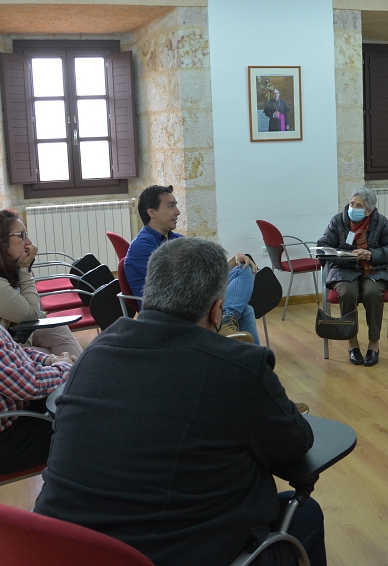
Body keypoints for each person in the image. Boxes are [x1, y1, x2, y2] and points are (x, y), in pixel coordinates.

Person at [35, 237, 326, 566]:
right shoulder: (239, 366)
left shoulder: (95, 353)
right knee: (305, 514)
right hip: (161, 553)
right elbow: (296, 442)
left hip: (60, 549)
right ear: (217, 311)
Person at [124, 185, 260, 343]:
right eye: (171, 206)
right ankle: (242, 348)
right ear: (151, 212)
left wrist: (233, 261)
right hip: (169, 312)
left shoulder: (177, 239)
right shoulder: (142, 246)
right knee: (246, 310)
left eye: (176, 205)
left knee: (243, 268)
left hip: (191, 301)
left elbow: (201, 272)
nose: (178, 212)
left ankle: (227, 321)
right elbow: (179, 285)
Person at [317, 187, 388, 367]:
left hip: (373, 270)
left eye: (358, 205)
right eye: (351, 203)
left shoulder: (380, 222)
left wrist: (371, 254)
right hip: (343, 269)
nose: (352, 208)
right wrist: (345, 253)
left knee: (372, 292)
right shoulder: (337, 222)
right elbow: (323, 246)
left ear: (369, 211)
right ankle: (352, 342)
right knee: (348, 292)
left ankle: (373, 344)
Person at [0, 210, 83, 357]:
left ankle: (80, 373)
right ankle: (74, 373)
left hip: (14, 333)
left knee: (59, 330)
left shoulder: (4, 266)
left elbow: (34, 311)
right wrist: (25, 268)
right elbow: (31, 314)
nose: (29, 242)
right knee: (59, 359)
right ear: (0, 242)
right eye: (22, 236)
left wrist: (23, 268)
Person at [0, 314, 74, 475]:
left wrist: (50, 360)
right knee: (91, 426)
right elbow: (27, 384)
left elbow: (11, 351)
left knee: (85, 402)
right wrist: (67, 368)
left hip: (15, 413)